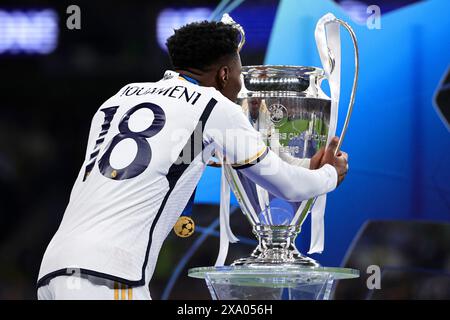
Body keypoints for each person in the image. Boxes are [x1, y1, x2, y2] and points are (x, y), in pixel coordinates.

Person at [37, 21, 348, 300]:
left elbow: (173, 161)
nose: (239, 86)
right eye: (239, 74)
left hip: (53, 267)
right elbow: (287, 187)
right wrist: (328, 175)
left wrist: (305, 166)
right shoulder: (215, 107)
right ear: (224, 74)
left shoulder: (119, 98)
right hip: (108, 274)